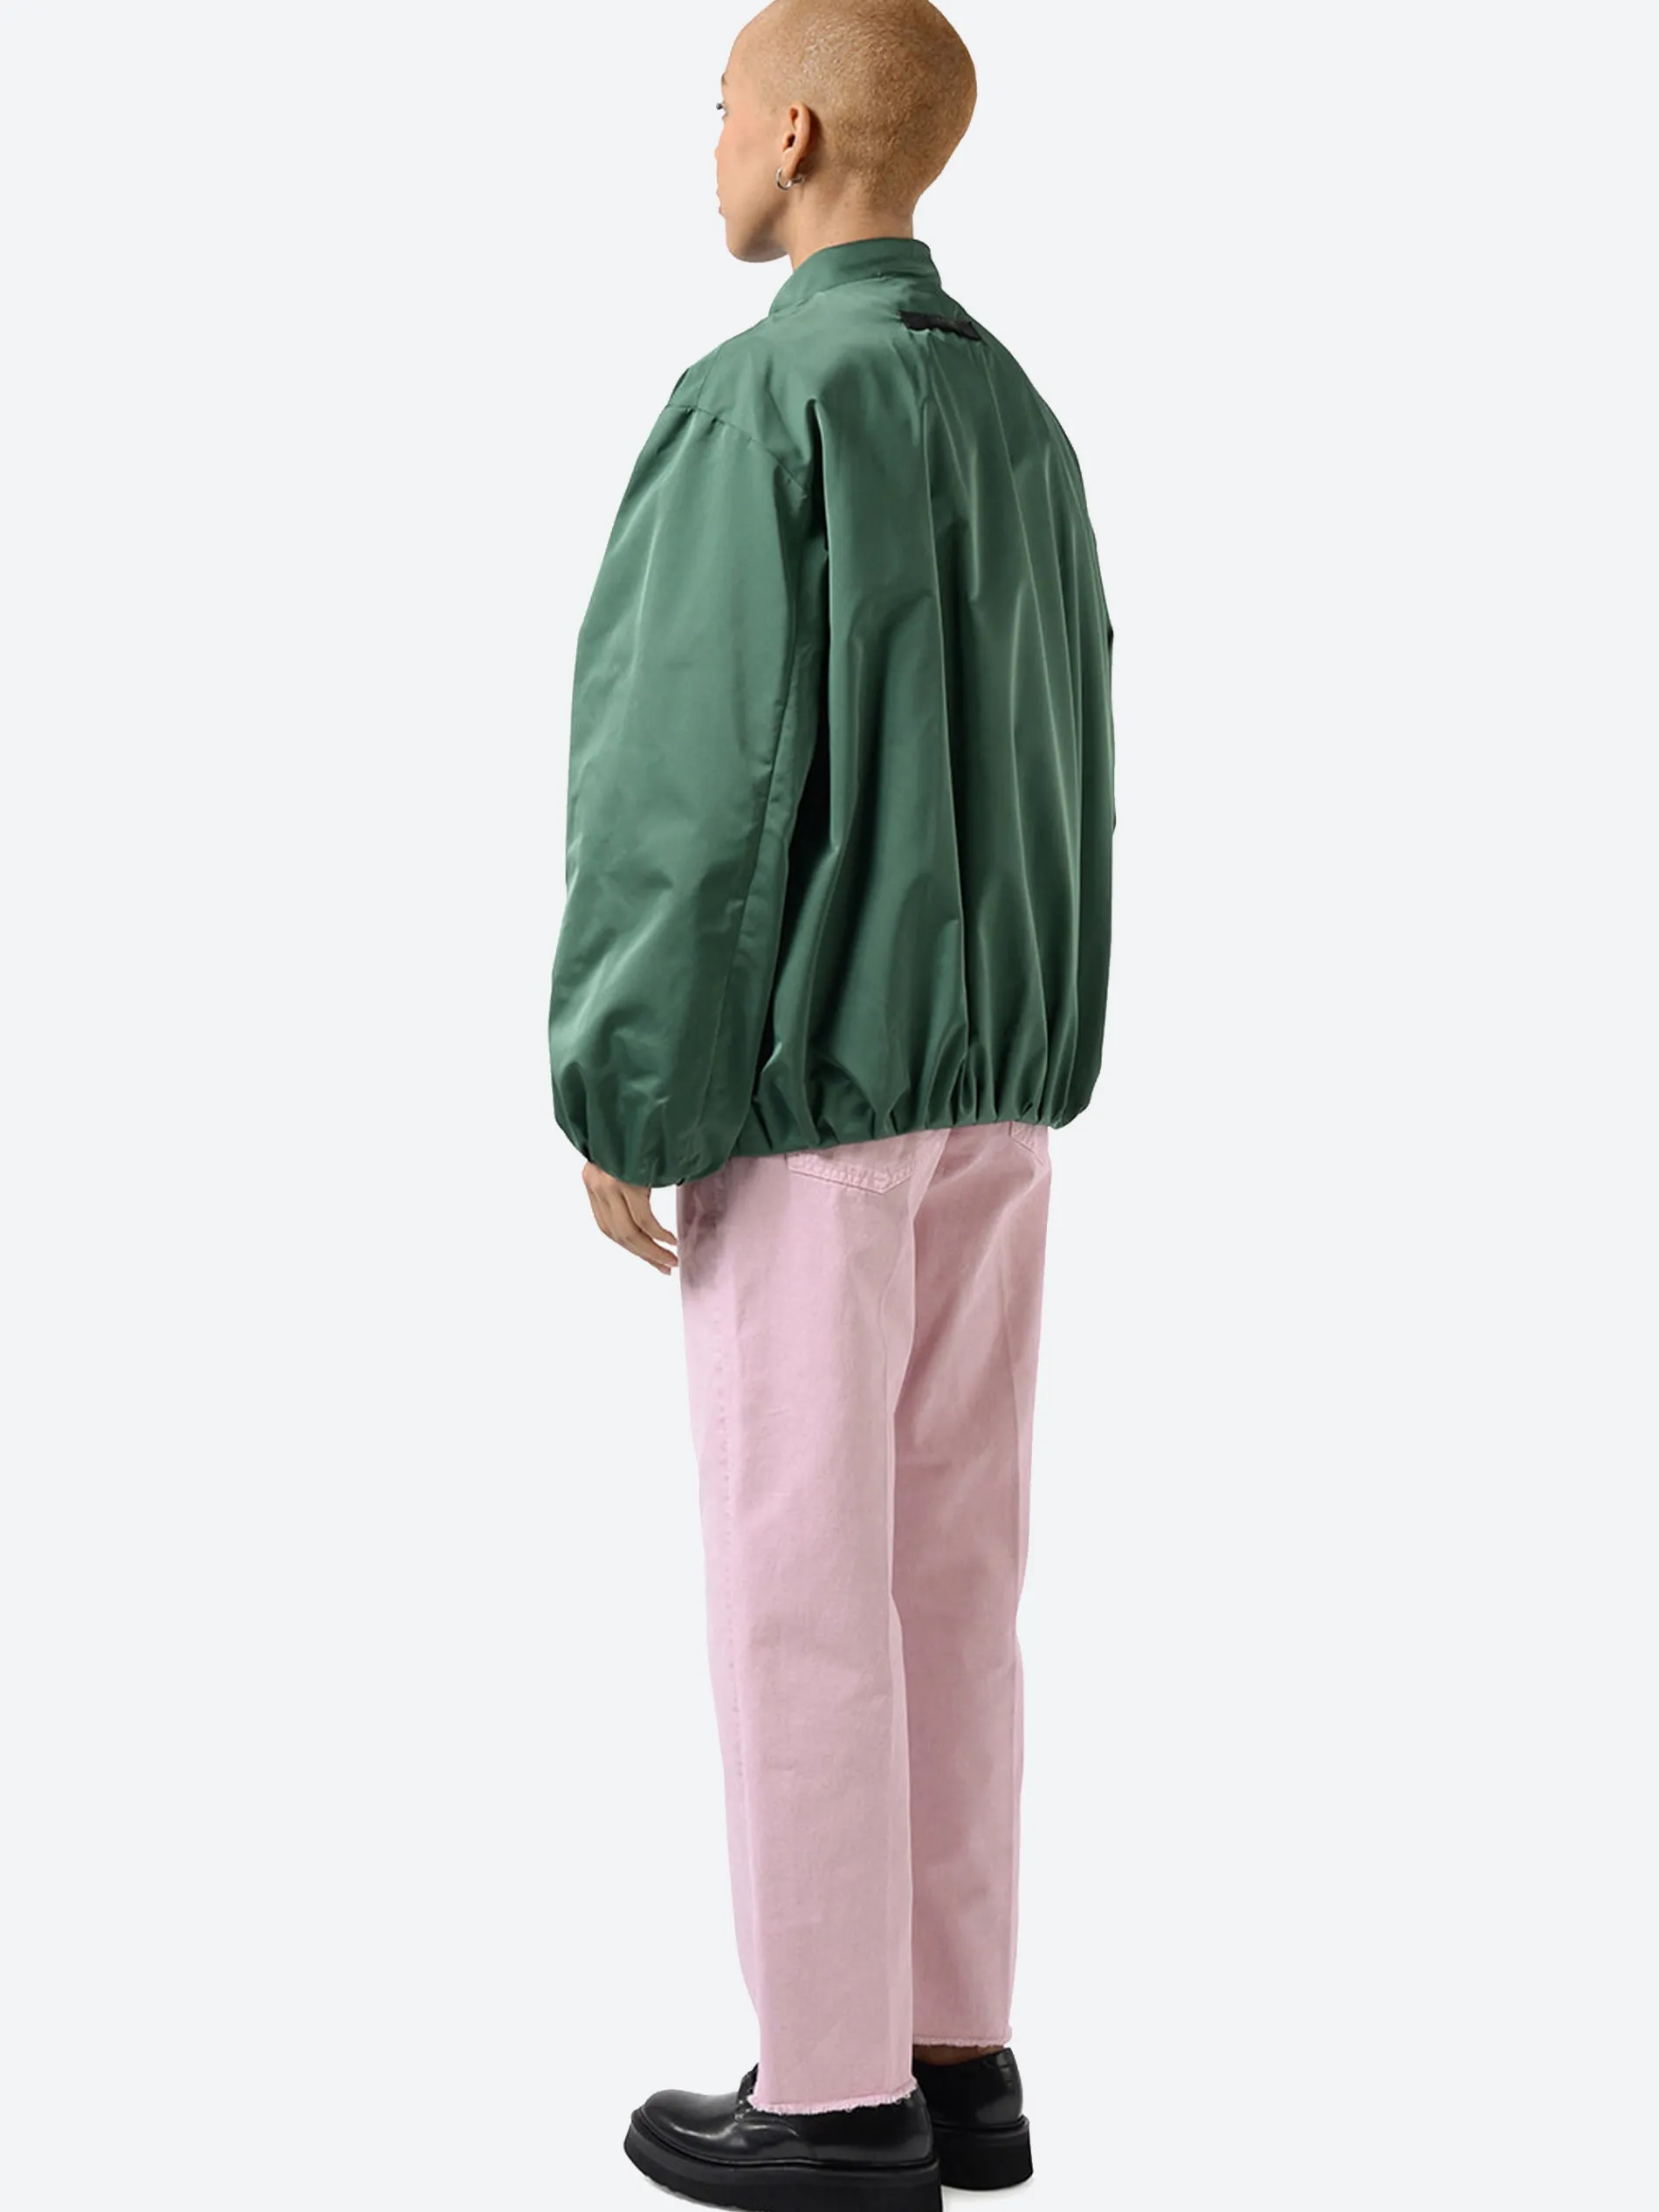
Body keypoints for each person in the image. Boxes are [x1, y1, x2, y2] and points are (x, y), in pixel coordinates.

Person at [545, 2, 1116, 2202]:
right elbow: (1067, 750)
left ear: (791, 132)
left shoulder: (760, 401)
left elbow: (686, 776)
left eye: (715, 108)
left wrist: (630, 1075)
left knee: (800, 1583)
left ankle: (831, 2092)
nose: (704, 143)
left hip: (805, 1095)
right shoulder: (1014, 411)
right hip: (996, 1096)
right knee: (952, 1571)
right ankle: (958, 2054)